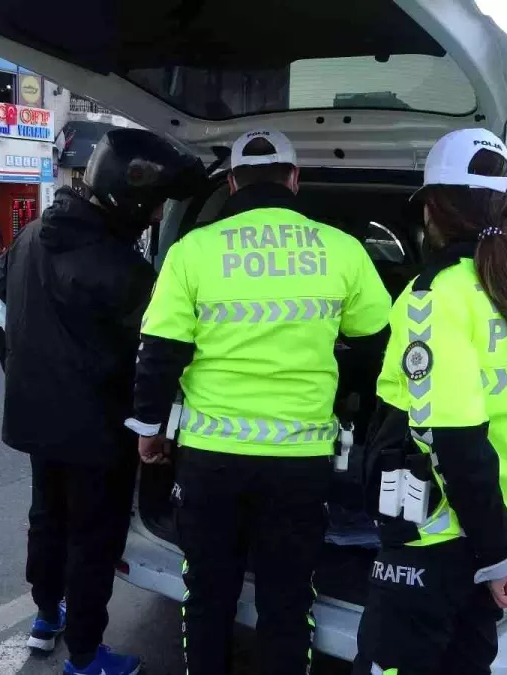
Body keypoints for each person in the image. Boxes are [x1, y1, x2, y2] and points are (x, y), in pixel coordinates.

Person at [128, 128, 392, 675]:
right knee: (288, 602)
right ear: (294, 179)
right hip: (299, 466)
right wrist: (354, 407)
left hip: (209, 462)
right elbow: (378, 350)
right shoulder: (341, 249)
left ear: (230, 183)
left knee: (207, 597)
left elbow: (160, 355)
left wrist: (150, 431)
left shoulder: (192, 250)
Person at [351, 129, 507, 674]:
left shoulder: (432, 296)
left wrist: (500, 555)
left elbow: (453, 439)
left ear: (432, 209)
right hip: (501, 536)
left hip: (431, 541)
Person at [0, 128, 205, 675]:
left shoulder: (31, 236)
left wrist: (24, 379)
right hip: (95, 433)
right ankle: (85, 656)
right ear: (127, 197)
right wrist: (152, 423)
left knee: (47, 519)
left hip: (36, 418)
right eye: (155, 205)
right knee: (94, 539)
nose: (158, 216)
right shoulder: (125, 272)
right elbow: (155, 360)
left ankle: (46, 616)